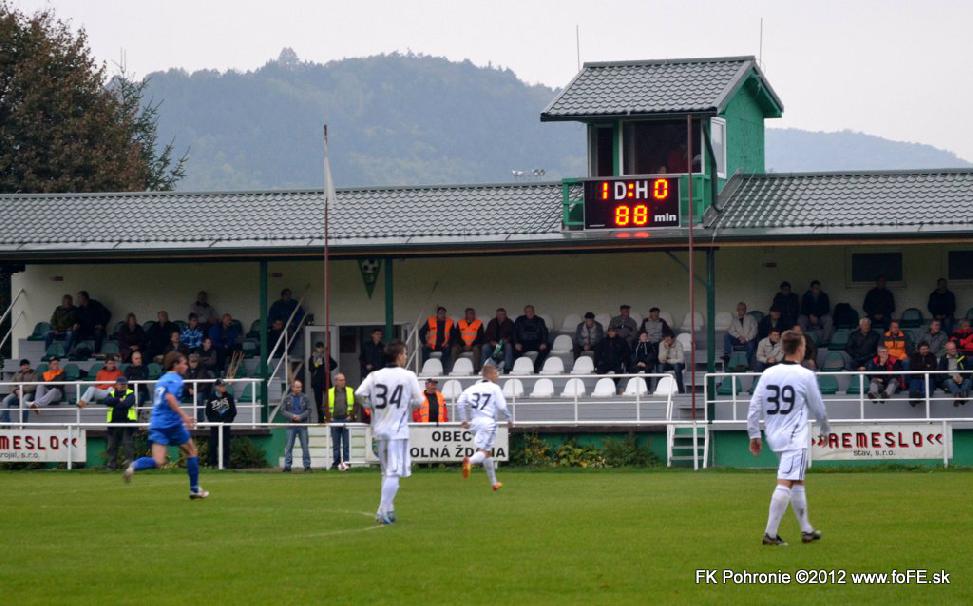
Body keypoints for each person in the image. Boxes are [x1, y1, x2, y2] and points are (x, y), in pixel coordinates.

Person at [747, 330, 831, 546]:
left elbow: (754, 406)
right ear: (801, 348)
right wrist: (825, 430)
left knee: (797, 481)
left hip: (774, 436)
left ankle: (806, 530)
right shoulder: (805, 375)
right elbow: (818, 408)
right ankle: (770, 534)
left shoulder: (768, 373)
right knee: (786, 482)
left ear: (783, 349)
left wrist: (754, 434)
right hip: (795, 438)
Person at [123, 352, 209, 499]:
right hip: (173, 425)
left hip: (157, 423)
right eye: (183, 363)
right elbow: (169, 398)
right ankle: (194, 489)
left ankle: (133, 466)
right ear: (175, 365)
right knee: (192, 451)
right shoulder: (175, 380)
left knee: (158, 461)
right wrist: (185, 417)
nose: (186, 366)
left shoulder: (161, 380)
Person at [355, 341, 423, 525]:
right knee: (394, 473)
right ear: (399, 355)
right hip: (397, 432)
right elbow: (419, 401)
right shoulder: (408, 376)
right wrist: (405, 403)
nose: (406, 357)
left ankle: (389, 509)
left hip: (379, 429)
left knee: (386, 472)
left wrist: (372, 407)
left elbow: (359, 393)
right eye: (405, 353)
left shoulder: (374, 375)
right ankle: (383, 511)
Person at [458, 364, 511, 491]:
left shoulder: (472, 388)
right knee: (484, 452)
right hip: (488, 423)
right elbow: (502, 406)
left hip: (475, 423)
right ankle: (469, 461)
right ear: (490, 374)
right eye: (496, 373)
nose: (497, 376)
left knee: (487, 453)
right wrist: (509, 418)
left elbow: (460, 402)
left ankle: (494, 483)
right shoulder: (494, 388)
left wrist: (464, 419)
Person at [103, 376, 137, 470]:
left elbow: (127, 404)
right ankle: (111, 466)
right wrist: (118, 400)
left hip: (127, 424)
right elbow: (106, 401)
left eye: (124, 384)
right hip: (113, 424)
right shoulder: (112, 393)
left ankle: (129, 466)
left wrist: (115, 403)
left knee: (128, 446)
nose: (122, 386)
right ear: (116, 385)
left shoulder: (131, 394)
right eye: (121, 384)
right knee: (111, 447)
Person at [327, 373, 358, 469]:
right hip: (334, 420)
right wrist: (328, 418)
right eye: (341, 380)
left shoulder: (350, 391)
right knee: (336, 444)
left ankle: (346, 462)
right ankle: (336, 463)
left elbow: (356, 405)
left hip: (346, 420)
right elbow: (325, 406)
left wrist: (351, 416)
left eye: (343, 380)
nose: (343, 382)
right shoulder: (330, 392)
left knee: (346, 443)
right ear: (336, 381)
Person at [204, 379, 236, 468]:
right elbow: (208, 412)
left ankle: (226, 464)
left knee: (226, 445)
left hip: (225, 426)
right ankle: (213, 464)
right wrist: (213, 422)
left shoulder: (229, 397)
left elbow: (233, 411)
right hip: (214, 426)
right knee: (213, 445)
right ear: (216, 387)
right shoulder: (211, 397)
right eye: (221, 386)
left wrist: (227, 421)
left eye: (224, 386)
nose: (223, 388)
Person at [282, 379, 312, 472]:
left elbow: (309, 410)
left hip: (302, 425)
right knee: (289, 447)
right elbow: (283, 410)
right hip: (291, 425)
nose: (299, 389)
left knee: (305, 447)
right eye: (297, 387)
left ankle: (307, 466)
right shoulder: (287, 398)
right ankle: (287, 466)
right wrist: (292, 416)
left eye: (300, 387)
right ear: (292, 387)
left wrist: (301, 416)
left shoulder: (305, 397)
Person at [513, 305, 550, 372]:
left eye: (531, 311)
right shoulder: (519, 320)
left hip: (536, 342)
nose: (529, 313)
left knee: (547, 347)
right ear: (525, 312)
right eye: (527, 311)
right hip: (523, 343)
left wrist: (544, 343)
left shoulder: (540, 320)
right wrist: (516, 343)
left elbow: (544, 332)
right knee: (513, 347)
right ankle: (521, 367)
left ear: (534, 311)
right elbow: (514, 332)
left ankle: (535, 367)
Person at [1, 359, 37, 424]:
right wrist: (16, 390)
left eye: (27, 365)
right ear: (21, 367)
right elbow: (11, 385)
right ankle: (6, 423)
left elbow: (34, 385)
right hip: (17, 394)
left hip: (29, 394)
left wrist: (22, 390)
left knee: (24, 402)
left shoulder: (34, 373)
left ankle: (22, 424)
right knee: (5, 400)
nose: (26, 366)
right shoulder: (17, 374)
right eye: (24, 365)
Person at [419, 306, 455, 371]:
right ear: (437, 314)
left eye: (443, 313)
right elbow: (421, 332)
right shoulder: (430, 321)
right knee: (424, 349)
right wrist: (425, 343)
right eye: (440, 313)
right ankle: (425, 368)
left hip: (444, 345)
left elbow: (453, 335)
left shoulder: (450, 322)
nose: (442, 315)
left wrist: (449, 343)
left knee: (448, 350)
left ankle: (442, 368)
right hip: (432, 345)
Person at [481, 308, 514, 373]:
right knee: (485, 347)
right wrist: (491, 341)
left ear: (505, 315)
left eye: (502, 314)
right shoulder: (492, 322)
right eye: (498, 315)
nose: (500, 316)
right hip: (493, 345)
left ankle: (507, 368)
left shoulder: (510, 323)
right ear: (496, 315)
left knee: (508, 346)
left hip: (504, 344)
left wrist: (506, 340)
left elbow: (513, 335)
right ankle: (484, 368)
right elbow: (487, 335)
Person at [938, 341, 970, 407]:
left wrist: (962, 377)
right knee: (949, 382)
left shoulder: (962, 357)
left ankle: (962, 396)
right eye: (951, 349)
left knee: (968, 381)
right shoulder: (943, 358)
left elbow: (967, 370)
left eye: (954, 348)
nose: (953, 350)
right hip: (949, 379)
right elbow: (941, 374)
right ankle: (958, 396)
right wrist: (952, 378)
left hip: (961, 378)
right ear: (947, 350)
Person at [308, 341, 334, 423]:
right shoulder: (312, 357)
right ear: (315, 349)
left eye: (321, 348)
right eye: (318, 348)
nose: (319, 350)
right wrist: (316, 365)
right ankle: (320, 419)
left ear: (323, 348)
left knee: (328, 401)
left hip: (326, 381)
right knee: (318, 402)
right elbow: (310, 369)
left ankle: (328, 418)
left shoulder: (326, 357)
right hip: (317, 383)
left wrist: (327, 367)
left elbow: (334, 364)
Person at [454, 308, 485, 372]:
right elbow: (457, 336)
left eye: (473, 314)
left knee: (477, 349)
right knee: (454, 349)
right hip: (462, 346)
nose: (471, 315)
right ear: (466, 315)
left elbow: (480, 337)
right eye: (470, 313)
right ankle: (455, 367)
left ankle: (476, 369)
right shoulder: (460, 323)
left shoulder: (478, 323)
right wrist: (463, 345)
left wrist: (471, 345)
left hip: (474, 345)